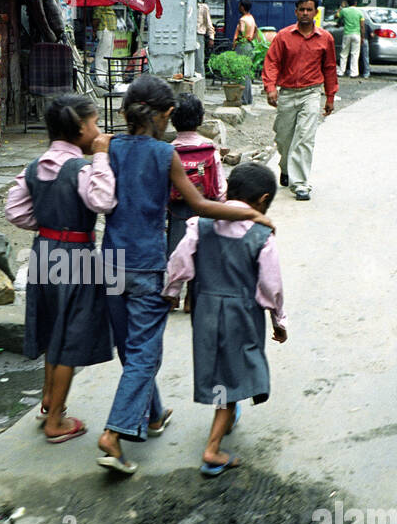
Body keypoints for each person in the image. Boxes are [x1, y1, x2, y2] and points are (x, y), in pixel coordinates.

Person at [96, 75, 274, 474]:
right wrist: (248, 212)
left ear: (126, 113)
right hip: (146, 264)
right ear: (167, 116)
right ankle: (114, 433)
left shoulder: (110, 146)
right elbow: (201, 205)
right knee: (144, 352)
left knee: (131, 346)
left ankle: (153, 414)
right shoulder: (164, 155)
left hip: (108, 262)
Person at [4, 94, 116, 443]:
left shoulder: (36, 165)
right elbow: (102, 201)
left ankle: (48, 400)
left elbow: (16, 211)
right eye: (95, 124)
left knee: (53, 326)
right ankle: (56, 421)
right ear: (81, 127)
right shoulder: (82, 168)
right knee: (69, 336)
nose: (99, 131)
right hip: (76, 254)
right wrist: (102, 157)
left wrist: (49, 221)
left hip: (44, 251)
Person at [164, 162, 287, 475]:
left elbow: (179, 262)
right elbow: (271, 287)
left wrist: (172, 290)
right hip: (241, 314)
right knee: (232, 376)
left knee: (219, 368)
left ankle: (227, 416)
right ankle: (213, 449)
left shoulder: (200, 225)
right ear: (262, 200)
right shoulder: (261, 236)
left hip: (205, 309)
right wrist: (278, 321)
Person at [263, 0, 337, 200]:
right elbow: (272, 63)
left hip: (311, 93)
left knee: (305, 138)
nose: (305, 13)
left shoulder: (325, 39)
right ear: (296, 12)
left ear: (315, 12)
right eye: (302, 9)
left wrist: (330, 96)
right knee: (283, 137)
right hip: (287, 94)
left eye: (309, 9)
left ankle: (301, 184)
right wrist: (270, 87)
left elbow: (330, 68)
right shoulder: (283, 36)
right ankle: (286, 168)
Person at [166, 93, 226, 313]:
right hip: (204, 208)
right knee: (199, 252)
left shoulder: (168, 150)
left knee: (176, 253)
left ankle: (173, 295)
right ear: (201, 119)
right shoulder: (209, 150)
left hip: (177, 211)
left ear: (172, 120)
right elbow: (219, 186)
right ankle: (191, 298)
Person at [232, 0, 258, 105]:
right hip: (249, 45)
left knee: (241, 72)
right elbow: (256, 30)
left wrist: (237, 41)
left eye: (239, 5)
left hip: (242, 45)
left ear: (242, 7)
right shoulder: (251, 18)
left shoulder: (242, 20)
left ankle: (242, 98)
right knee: (246, 72)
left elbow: (242, 32)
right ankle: (248, 98)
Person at [337, 0, 365, 78]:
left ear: (348, 3)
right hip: (356, 34)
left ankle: (341, 71)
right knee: (355, 54)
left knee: (344, 53)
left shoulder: (345, 11)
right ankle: (354, 73)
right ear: (355, 3)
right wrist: (362, 36)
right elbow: (362, 26)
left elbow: (336, 16)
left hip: (347, 34)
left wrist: (341, 7)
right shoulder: (360, 12)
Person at [196, 0, 215, 74]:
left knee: (199, 60)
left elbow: (209, 23)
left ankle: (201, 79)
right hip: (188, 35)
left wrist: (211, 37)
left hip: (199, 35)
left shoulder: (203, 7)